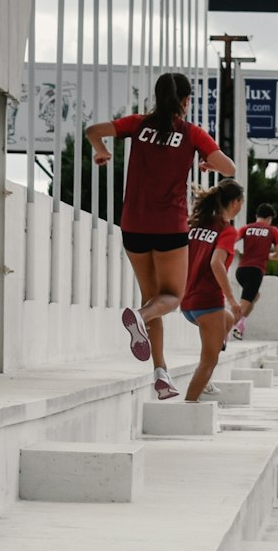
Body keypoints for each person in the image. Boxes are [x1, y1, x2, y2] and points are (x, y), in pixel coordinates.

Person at [86, 72, 235, 399]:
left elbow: (92, 130)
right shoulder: (192, 133)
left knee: (152, 297)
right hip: (169, 227)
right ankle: (138, 319)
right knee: (170, 298)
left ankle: (160, 373)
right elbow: (230, 168)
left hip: (133, 226)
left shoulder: (138, 124)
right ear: (185, 100)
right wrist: (208, 162)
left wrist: (100, 150)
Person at [180, 180, 245, 402]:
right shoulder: (227, 231)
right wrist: (232, 299)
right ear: (236, 203)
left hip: (188, 302)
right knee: (208, 362)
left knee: (227, 320)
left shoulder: (197, 225)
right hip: (208, 301)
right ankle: (189, 404)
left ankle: (219, 343)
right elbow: (216, 264)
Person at [231, 203, 278, 340]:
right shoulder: (273, 230)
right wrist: (267, 256)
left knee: (254, 297)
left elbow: (231, 241)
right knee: (243, 304)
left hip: (241, 270)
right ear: (270, 218)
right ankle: (224, 331)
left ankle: (241, 326)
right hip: (256, 271)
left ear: (256, 216)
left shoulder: (246, 228)